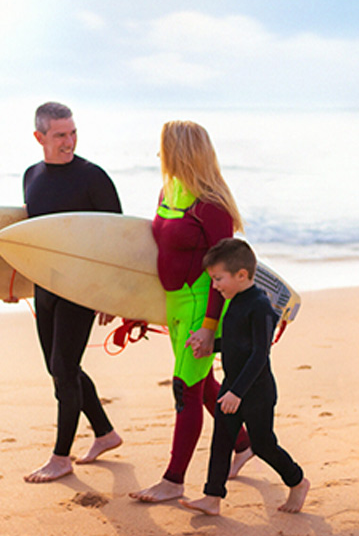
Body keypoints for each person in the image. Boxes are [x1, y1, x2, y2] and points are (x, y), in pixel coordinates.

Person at [130, 121, 253, 503]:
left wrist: (209, 328)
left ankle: (173, 480)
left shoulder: (212, 208)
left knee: (185, 388)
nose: (158, 155)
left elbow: (224, 276)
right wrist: (134, 306)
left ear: (179, 151)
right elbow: (159, 251)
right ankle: (246, 443)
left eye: (163, 147)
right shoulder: (170, 190)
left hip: (201, 305)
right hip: (174, 304)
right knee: (202, 388)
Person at [22, 101, 124, 483]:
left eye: (73, 132)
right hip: (44, 285)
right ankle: (105, 433)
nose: (69, 141)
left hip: (82, 288)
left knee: (64, 370)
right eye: (60, 135)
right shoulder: (31, 175)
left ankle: (61, 457)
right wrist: (13, 282)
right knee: (58, 367)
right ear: (40, 137)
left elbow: (118, 240)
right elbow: (29, 236)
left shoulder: (93, 178)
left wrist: (111, 295)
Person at [181, 238, 309, 515]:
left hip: (256, 391)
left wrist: (237, 392)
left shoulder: (261, 306)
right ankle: (212, 498)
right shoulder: (235, 300)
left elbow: (259, 353)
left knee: (263, 445)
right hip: (233, 386)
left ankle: (297, 481)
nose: (215, 286)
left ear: (241, 275)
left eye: (218, 279)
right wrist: (208, 348)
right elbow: (235, 342)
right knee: (221, 442)